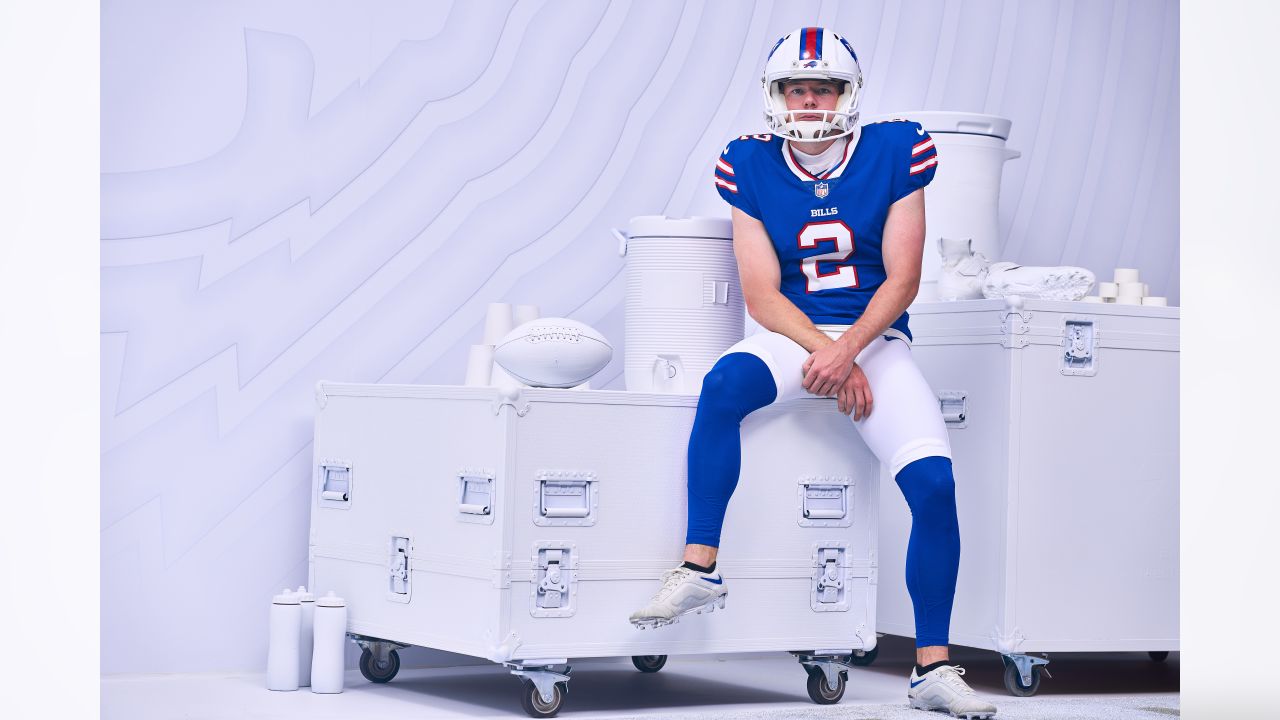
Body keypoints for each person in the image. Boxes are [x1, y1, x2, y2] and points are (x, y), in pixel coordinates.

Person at [627, 27, 998, 719]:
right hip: (793, 336)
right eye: (796, 88)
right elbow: (763, 296)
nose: (807, 100)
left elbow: (904, 278)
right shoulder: (748, 161)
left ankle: (932, 669)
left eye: (821, 87)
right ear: (775, 96)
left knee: (935, 484)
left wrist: (852, 350)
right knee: (724, 386)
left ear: (846, 94)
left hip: (875, 338)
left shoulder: (895, 149)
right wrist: (824, 354)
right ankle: (700, 567)